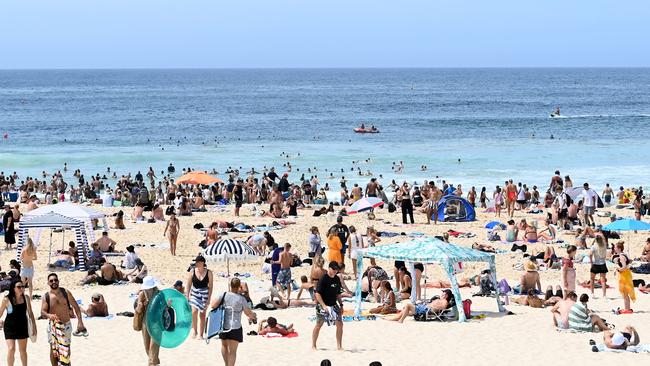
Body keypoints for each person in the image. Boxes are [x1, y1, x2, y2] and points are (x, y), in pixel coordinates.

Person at [41, 273, 86, 366]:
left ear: (58, 281)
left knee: (66, 349)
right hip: (53, 326)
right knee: (53, 349)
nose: (54, 282)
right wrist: (49, 315)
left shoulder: (66, 293)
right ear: (48, 283)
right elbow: (42, 312)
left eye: (55, 280)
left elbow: (76, 307)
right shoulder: (46, 296)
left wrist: (80, 322)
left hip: (66, 325)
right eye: (51, 281)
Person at [210, 277, 257, 366]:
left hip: (223, 325)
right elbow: (248, 313)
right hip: (235, 326)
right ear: (239, 286)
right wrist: (253, 315)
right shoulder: (241, 298)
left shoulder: (223, 294)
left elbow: (212, 305)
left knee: (224, 346)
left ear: (230, 285)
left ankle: (226, 364)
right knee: (233, 351)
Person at [0, 280, 36, 366]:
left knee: (23, 350)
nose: (22, 289)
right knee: (11, 348)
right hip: (9, 327)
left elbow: (30, 313)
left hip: (23, 326)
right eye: (19, 287)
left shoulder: (26, 298)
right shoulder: (6, 299)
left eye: (23, 287)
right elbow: (0, 313)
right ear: (13, 288)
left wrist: (34, 326)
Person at [312, 262, 344, 351]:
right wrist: (323, 305)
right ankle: (314, 345)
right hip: (322, 305)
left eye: (336, 269)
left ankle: (339, 346)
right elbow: (317, 294)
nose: (335, 271)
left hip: (334, 304)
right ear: (329, 268)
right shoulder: (323, 278)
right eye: (333, 269)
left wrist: (341, 305)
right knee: (319, 325)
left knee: (340, 324)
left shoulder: (337, 279)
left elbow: (338, 293)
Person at [134, 276, 161, 366]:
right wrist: (141, 306)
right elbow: (137, 310)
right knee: (147, 347)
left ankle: (152, 364)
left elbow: (164, 307)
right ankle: (154, 363)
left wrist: (168, 304)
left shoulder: (159, 294)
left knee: (154, 346)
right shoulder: (142, 294)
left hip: (157, 323)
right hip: (145, 322)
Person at [185, 255, 213, 339]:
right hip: (195, 293)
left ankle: (200, 334)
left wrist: (209, 299)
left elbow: (211, 286)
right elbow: (188, 284)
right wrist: (187, 295)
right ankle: (194, 330)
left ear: (202, 263)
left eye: (198, 262)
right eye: (196, 262)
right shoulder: (192, 271)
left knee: (202, 314)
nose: (196, 263)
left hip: (204, 294)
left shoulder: (209, 272)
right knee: (194, 312)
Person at [386, 289, 454, 323]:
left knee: (408, 305)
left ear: (446, 295)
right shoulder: (440, 299)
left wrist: (433, 307)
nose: (441, 294)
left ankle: (401, 320)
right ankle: (392, 319)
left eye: (443, 293)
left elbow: (442, 308)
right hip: (424, 307)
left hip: (426, 310)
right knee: (405, 310)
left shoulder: (444, 302)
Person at [612, 241, 635, 313]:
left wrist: (618, 269)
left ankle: (627, 309)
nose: (614, 248)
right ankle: (627, 308)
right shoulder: (624, 255)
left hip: (624, 275)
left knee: (624, 293)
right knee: (626, 293)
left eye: (615, 247)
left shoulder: (621, 256)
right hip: (627, 274)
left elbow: (624, 267)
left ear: (619, 248)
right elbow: (630, 261)